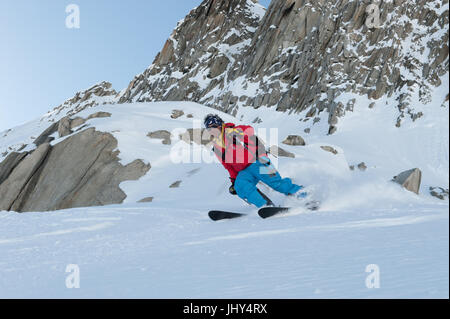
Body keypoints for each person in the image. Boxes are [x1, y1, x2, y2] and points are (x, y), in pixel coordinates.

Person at [204, 114, 307, 208]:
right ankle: (266, 206)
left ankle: (304, 195)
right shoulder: (217, 147)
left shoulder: (232, 131)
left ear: (220, 125)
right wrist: (234, 181)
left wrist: (235, 131)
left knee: (276, 184)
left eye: (214, 126)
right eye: (209, 129)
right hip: (245, 171)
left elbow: (250, 130)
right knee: (240, 186)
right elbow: (228, 166)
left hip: (260, 161)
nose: (212, 130)